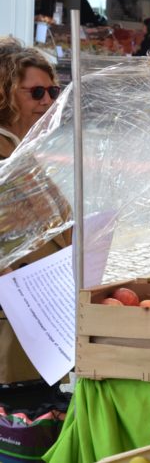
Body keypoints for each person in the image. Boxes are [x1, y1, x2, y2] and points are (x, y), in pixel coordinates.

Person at [0, 37, 72, 423]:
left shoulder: (20, 155)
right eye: (36, 92)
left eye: (53, 91)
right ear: (4, 96)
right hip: (15, 342)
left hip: (38, 333)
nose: (47, 101)